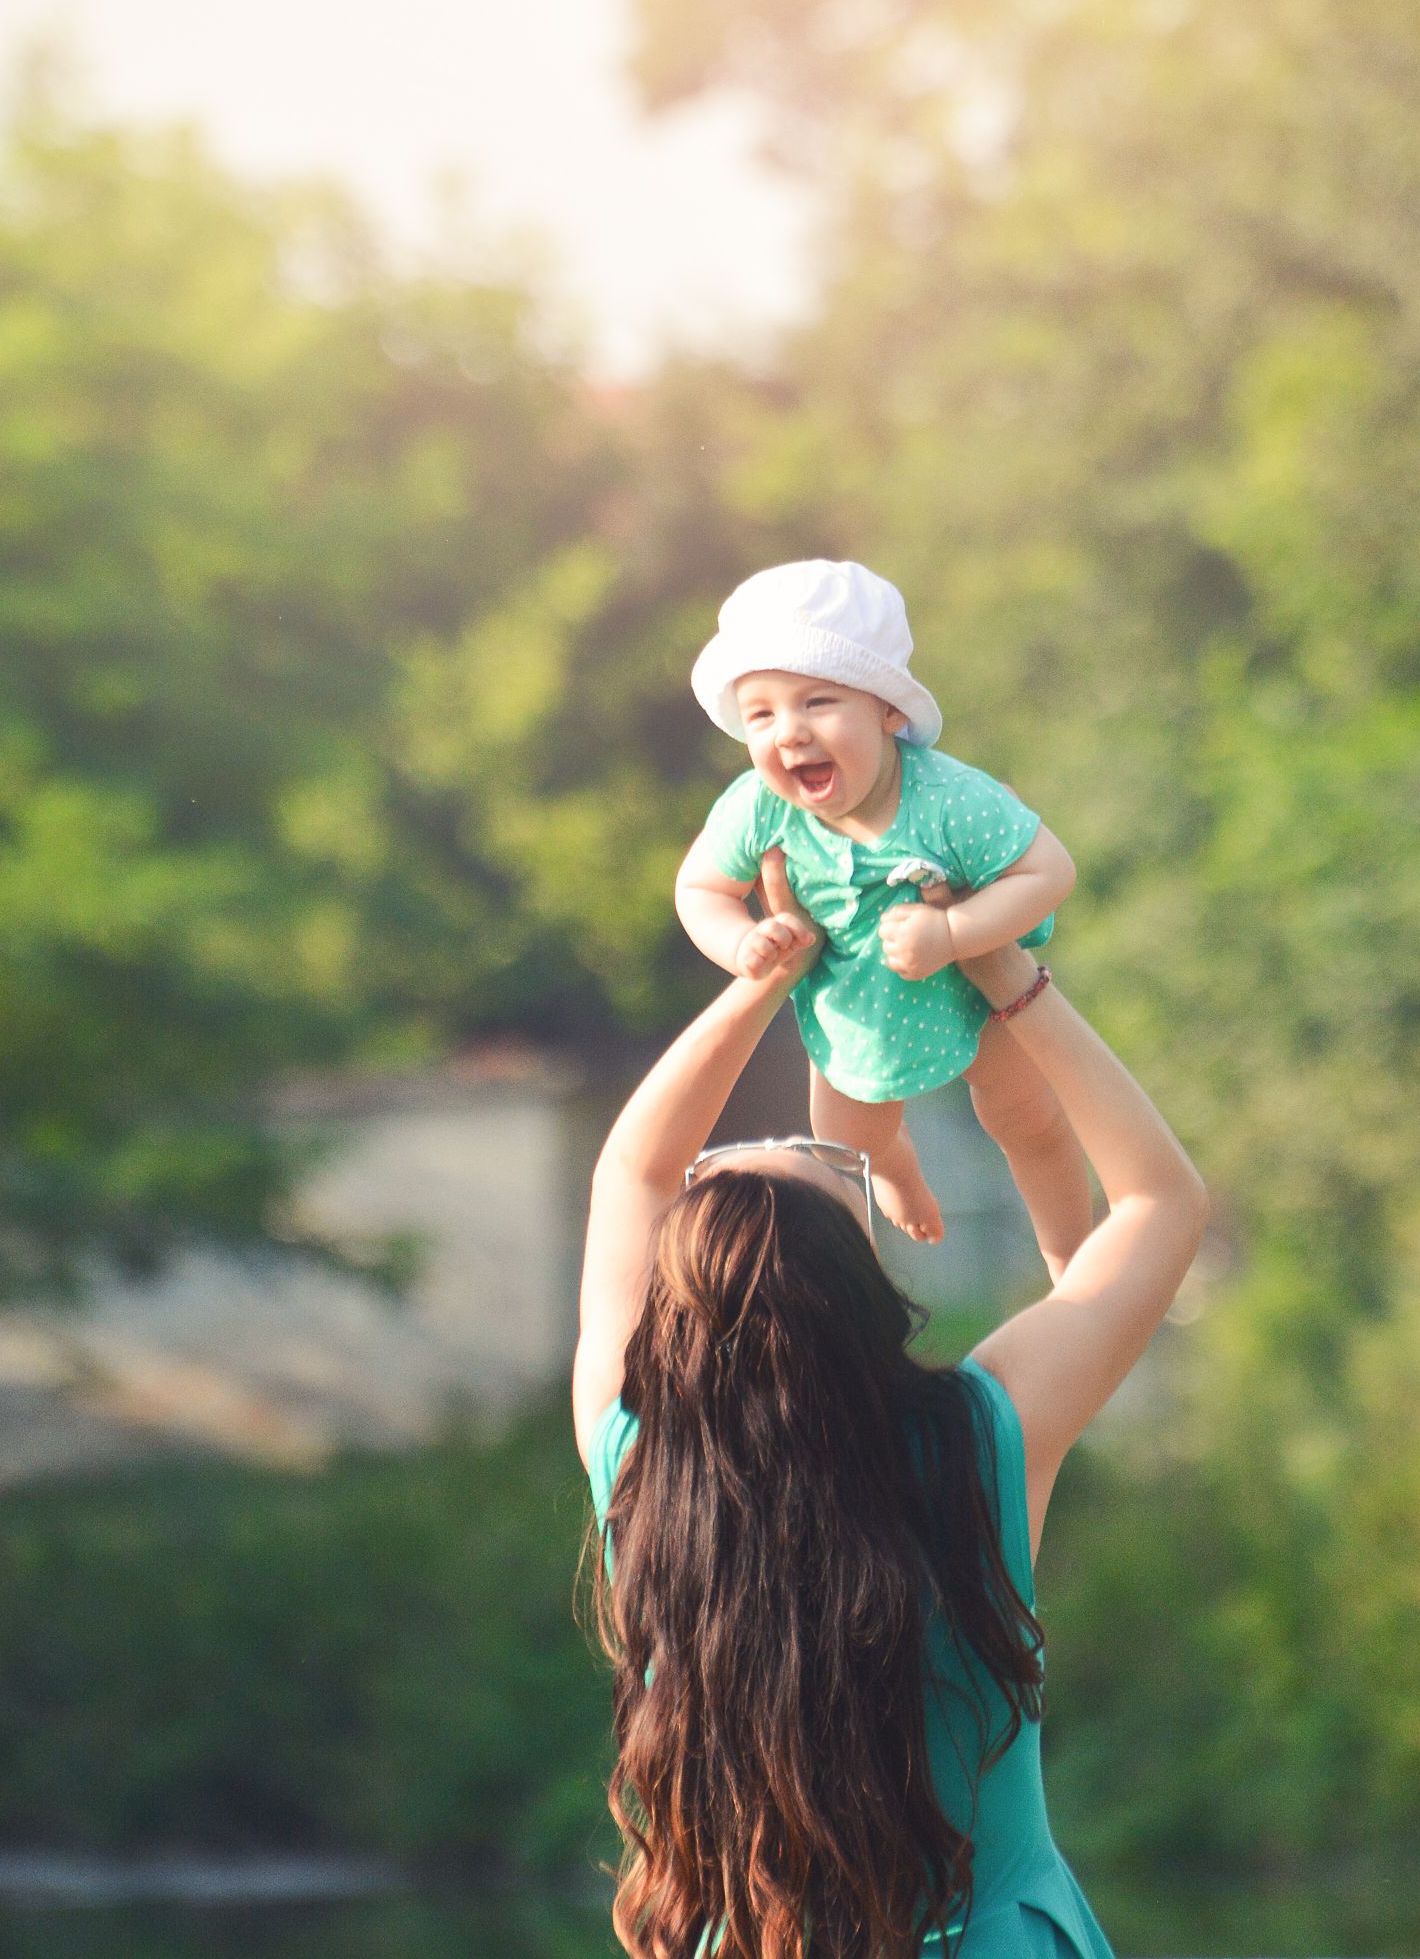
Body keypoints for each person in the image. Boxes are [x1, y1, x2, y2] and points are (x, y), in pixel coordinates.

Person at [575, 846, 1209, 1959]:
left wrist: (764, 974)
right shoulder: (978, 1436)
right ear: (862, 1287)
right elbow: (1156, 1201)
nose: (779, 1136)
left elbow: (630, 1171)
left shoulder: (636, 1462)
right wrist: (998, 964)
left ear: (670, 1314)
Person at [675, 558, 1091, 1274]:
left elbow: (1050, 871)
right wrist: (744, 941)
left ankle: (1072, 1265)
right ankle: (897, 1170)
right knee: (845, 1144)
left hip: (978, 990)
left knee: (1030, 1117)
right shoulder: (758, 806)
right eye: (762, 714)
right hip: (857, 1010)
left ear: (888, 710)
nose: (790, 733)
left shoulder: (949, 799)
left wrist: (956, 931)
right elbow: (700, 890)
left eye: (818, 702)